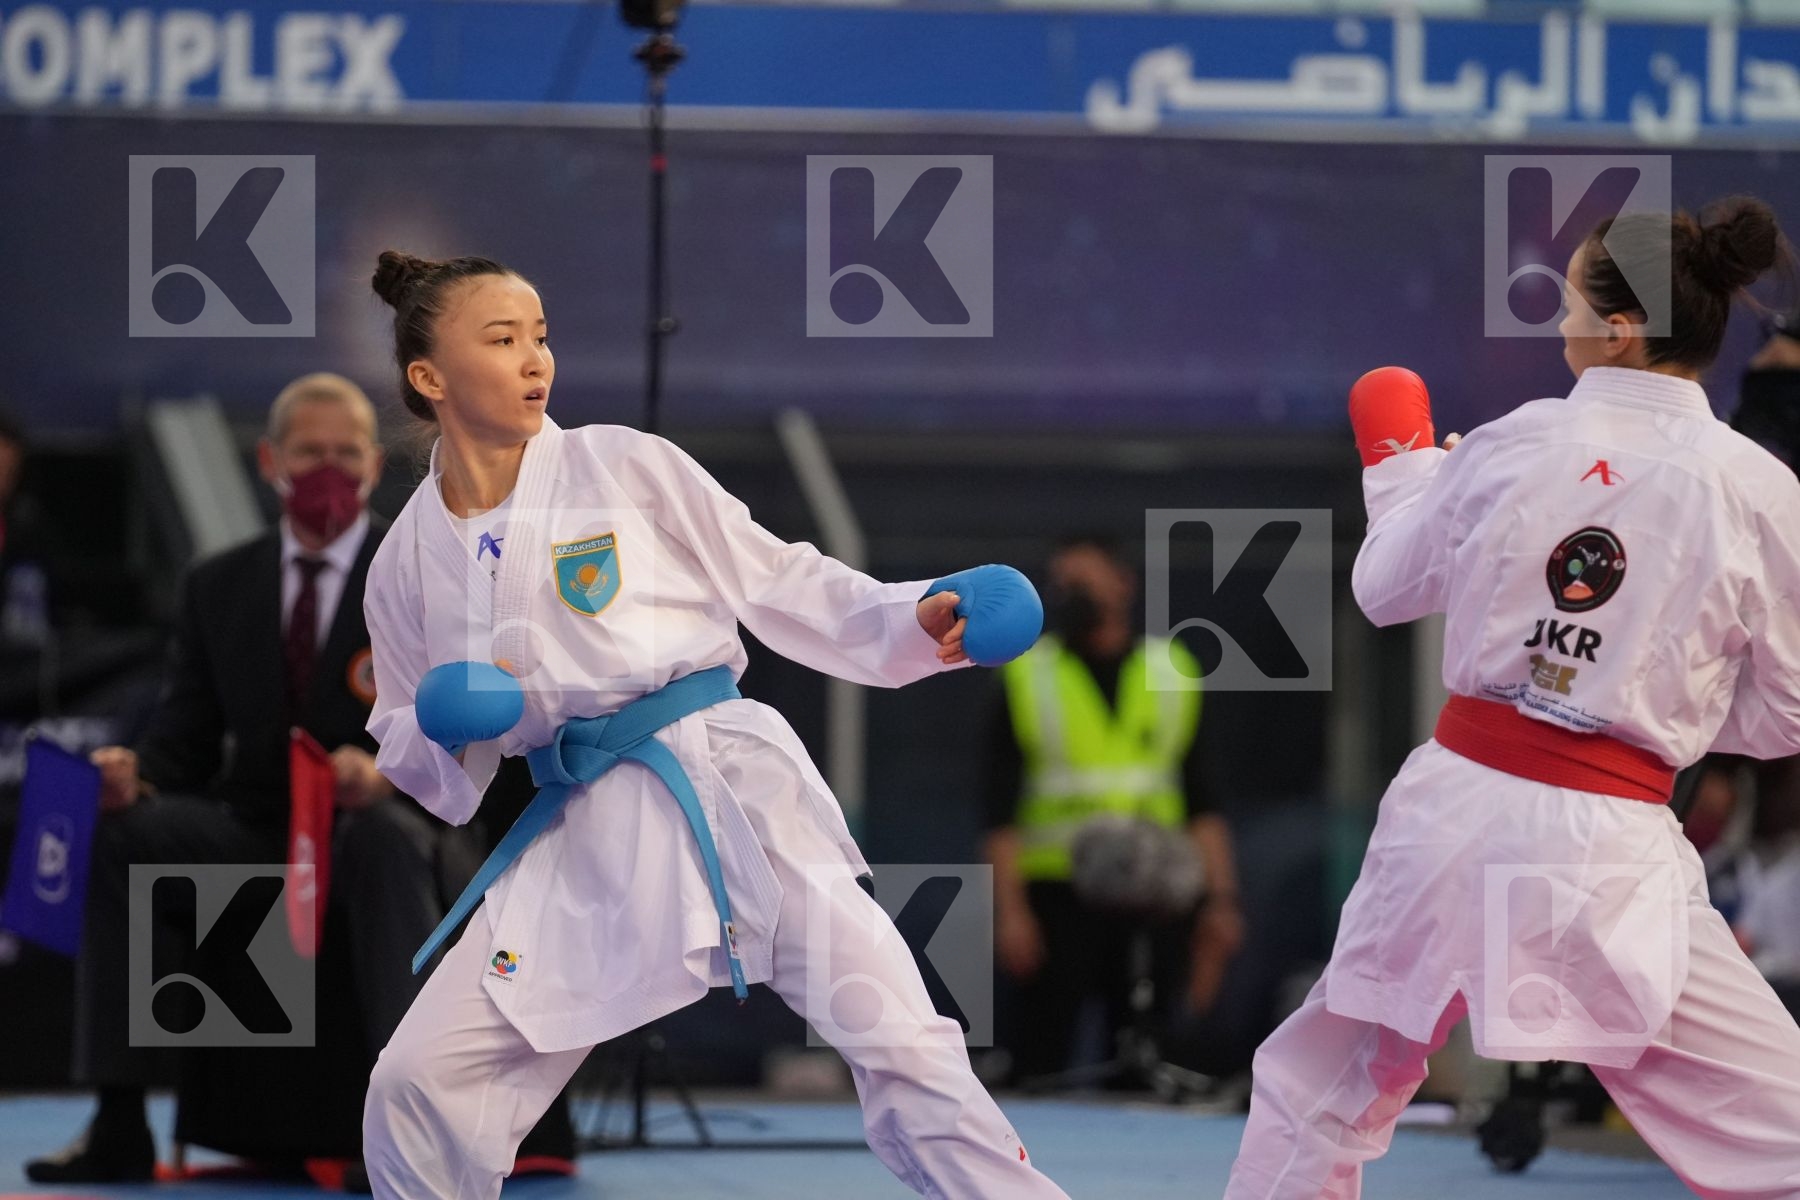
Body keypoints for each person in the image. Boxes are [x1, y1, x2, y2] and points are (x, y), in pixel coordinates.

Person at [356, 250, 1070, 1200]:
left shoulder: (622, 464)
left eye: (540, 337)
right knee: (417, 1084)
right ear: (428, 376)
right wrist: (442, 731)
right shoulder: (402, 565)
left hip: (733, 788)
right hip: (588, 833)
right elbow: (426, 772)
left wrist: (913, 614)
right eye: (502, 340)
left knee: (903, 1039)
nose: (536, 360)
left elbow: (780, 579)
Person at [1226, 195, 1800, 1198]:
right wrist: (1673, 715)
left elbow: (1385, 588)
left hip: (1453, 812)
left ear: (1623, 328)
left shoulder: (1511, 443)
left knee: (1325, 1085)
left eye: (1571, 299)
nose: (1558, 319)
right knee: (1775, 1128)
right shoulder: (1756, 486)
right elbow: (1789, 707)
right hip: (1608, 835)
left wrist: (1402, 471)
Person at [25, 375, 488, 1188]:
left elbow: (475, 730)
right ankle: (119, 1120)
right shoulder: (220, 583)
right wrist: (136, 776)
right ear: (271, 460)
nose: (328, 471)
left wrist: (384, 772)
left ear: (376, 467)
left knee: (381, 840)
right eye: (310, 453)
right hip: (262, 827)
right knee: (121, 834)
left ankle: (406, 1124)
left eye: (346, 455)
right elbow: (184, 745)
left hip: (380, 823)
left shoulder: (422, 571)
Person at [985, 534, 1242, 1083]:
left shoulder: (1173, 670)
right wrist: (1010, 913)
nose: (1068, 595)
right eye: (1060, 585)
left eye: (1083, 582)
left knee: (1152, 1056)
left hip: (1156, 895)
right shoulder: (1027, 673)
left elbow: (1204, 799)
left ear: (1123, 584)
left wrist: (1219, 899)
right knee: (1040, 1057)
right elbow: (997, 811)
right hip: (1057, 892)